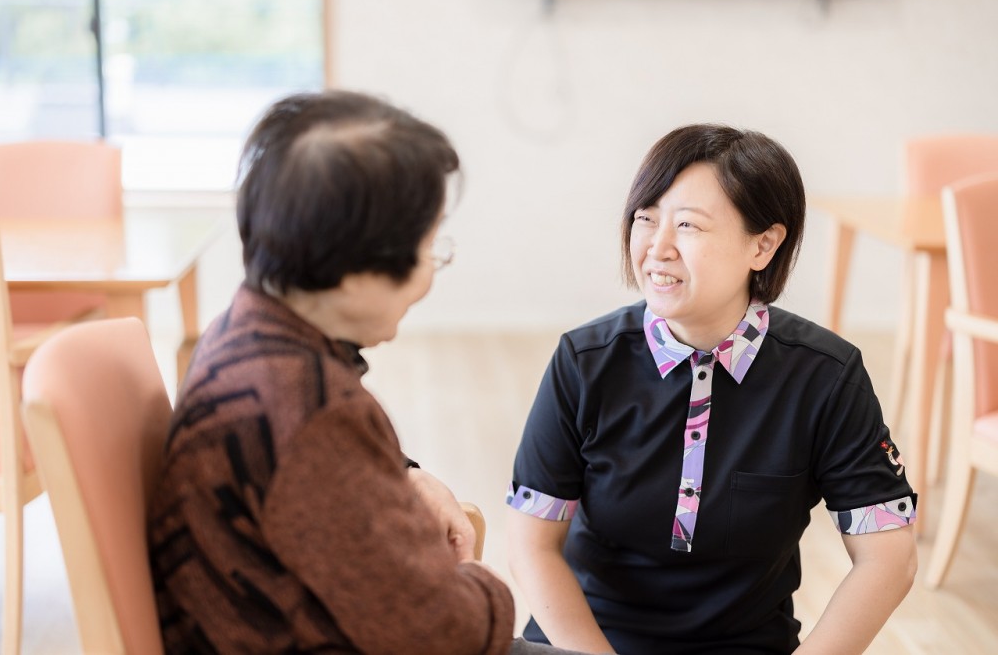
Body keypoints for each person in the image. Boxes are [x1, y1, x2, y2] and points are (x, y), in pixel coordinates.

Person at [147, 90, 580, 655]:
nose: (429, 275)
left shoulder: (244, 333)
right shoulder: (312, 412)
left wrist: (400, 477)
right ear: (353, 274)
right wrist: (483, 583)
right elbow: (443, 633)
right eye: (428, 249)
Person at [505, 124, 918, 654]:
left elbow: (889, 556)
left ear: (763, 244)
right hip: (588, 642)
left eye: (687, 226)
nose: (657, 247)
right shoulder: (585, 362)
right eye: (645, 219)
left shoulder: (825, 376)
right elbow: (531, 542)